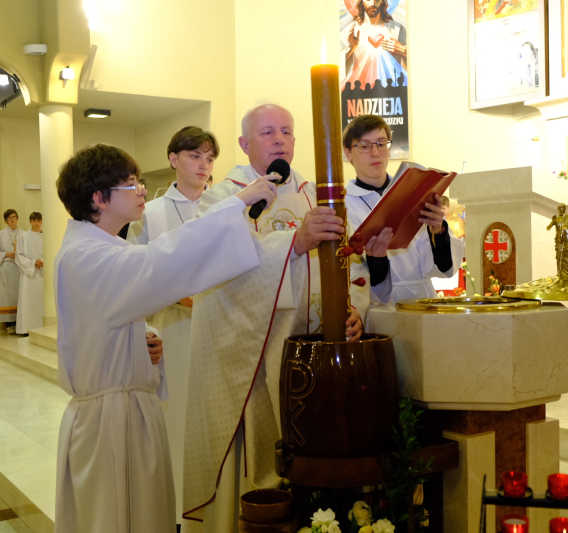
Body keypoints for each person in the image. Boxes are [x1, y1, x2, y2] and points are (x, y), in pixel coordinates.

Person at [52, 143, 277, 533]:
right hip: (108, 424)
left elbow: (109, 317)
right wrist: (233, 205)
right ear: (99, 198)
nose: (141, 191)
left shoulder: (102, 248)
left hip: (126, 409)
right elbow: (159, 262)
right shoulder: (86, 256)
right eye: (131, 184)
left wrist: (147, 337)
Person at [182, 103, 370, 531]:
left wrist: (355, 309)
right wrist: (294, 243)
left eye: (286, 131)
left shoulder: (315, 193)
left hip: (318, 354)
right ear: (244, 143)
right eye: (267, 132)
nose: (279, 139)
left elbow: (352, 264)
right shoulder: (223, 198)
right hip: (251, 357)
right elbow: (215, 269)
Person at [126, 125, 218, 529]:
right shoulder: (152, 213)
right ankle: (179, 511)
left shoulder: (223, 206)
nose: (203, 164)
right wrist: (178, 296)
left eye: (209, 158)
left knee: (216, 422)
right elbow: (135, 275)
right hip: (176, 330)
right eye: (195, 156)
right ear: (173, 159)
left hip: (220, 331)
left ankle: (216, 508)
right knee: (178, 423)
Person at [342, 114, 463, 304]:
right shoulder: (342, 206)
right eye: (365, 146)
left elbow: (445, 268)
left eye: (381, 144)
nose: (375, 153)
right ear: (348, 153)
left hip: (424, 300)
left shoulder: (414, 192)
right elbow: (350, 274)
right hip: (379, 305)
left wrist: (438, 231)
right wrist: (377, 260)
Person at [341, 0, 408, 89]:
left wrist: (403, 50)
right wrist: (351, 48)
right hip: (360, 91)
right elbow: (335, 64)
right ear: (361, 1)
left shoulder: (397, 29)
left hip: (390, 90)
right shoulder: (350, 31)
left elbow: (416, 62)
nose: (372, 3)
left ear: (383, 1)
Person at [0, 209, 24, 333]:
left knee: (20, 295)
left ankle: (19, 324)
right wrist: (6, 254)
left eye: (14, 217)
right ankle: (9, 324)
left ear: (17, 218)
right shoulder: (0, 235)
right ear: (6, 221)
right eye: (9, 218)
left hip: (20, 268)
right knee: (6, 297)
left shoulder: (23, 234)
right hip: (6, 267)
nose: (12, 219)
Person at [15, 212, 44, 335]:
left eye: (38, 221)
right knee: (28, 302)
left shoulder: (46, 236)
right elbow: (19, 255)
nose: (36, 223)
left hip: (43, 273)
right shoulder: (24, 236)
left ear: (41, 222)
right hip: (29, 274)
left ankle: (42, 327)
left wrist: (43, 262)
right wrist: (32, 263)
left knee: (42, 302)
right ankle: (27, 328)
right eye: (34, 221)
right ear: (30, 222)